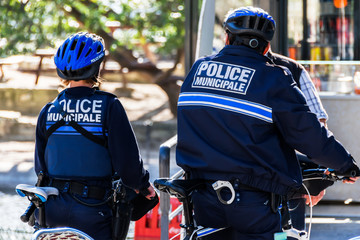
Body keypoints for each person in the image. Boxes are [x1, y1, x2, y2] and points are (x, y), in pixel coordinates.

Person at [175, 6, 359, 240]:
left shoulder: (198, 69)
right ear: (266, 46)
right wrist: (345, 164)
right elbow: (307, 134)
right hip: (255, 200)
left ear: (227, 38)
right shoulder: (274, 77)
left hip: (201, 195)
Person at [34, 32, 155, 240]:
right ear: (98, 66)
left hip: (50, 212)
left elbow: (40, 168)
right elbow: (128, 167)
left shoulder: (48, 111)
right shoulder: (109, 106)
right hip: (93, 212)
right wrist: (144, 186)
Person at [266, 49, 329, 231]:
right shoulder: (292, 68)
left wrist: (318, 177)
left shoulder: (293, 68)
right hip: (282, 180)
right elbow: (318, 128)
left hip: (286, 183)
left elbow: (318, 125)